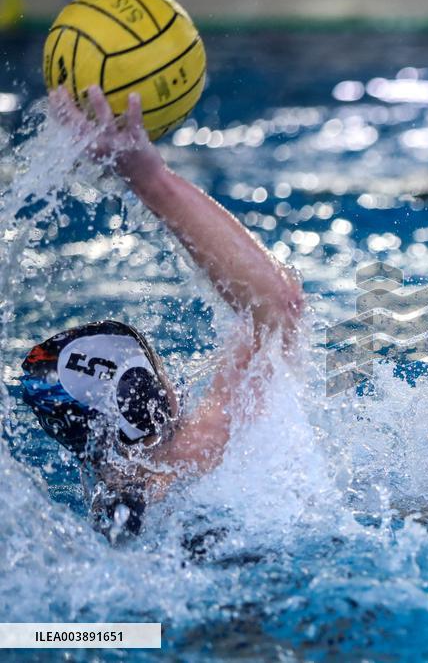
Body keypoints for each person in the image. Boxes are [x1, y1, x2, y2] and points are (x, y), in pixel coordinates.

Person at [19, 86, 305, 540]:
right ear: (157, 395)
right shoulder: (200, 455)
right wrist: (148, 177)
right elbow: (278, 305)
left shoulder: (112, 512)